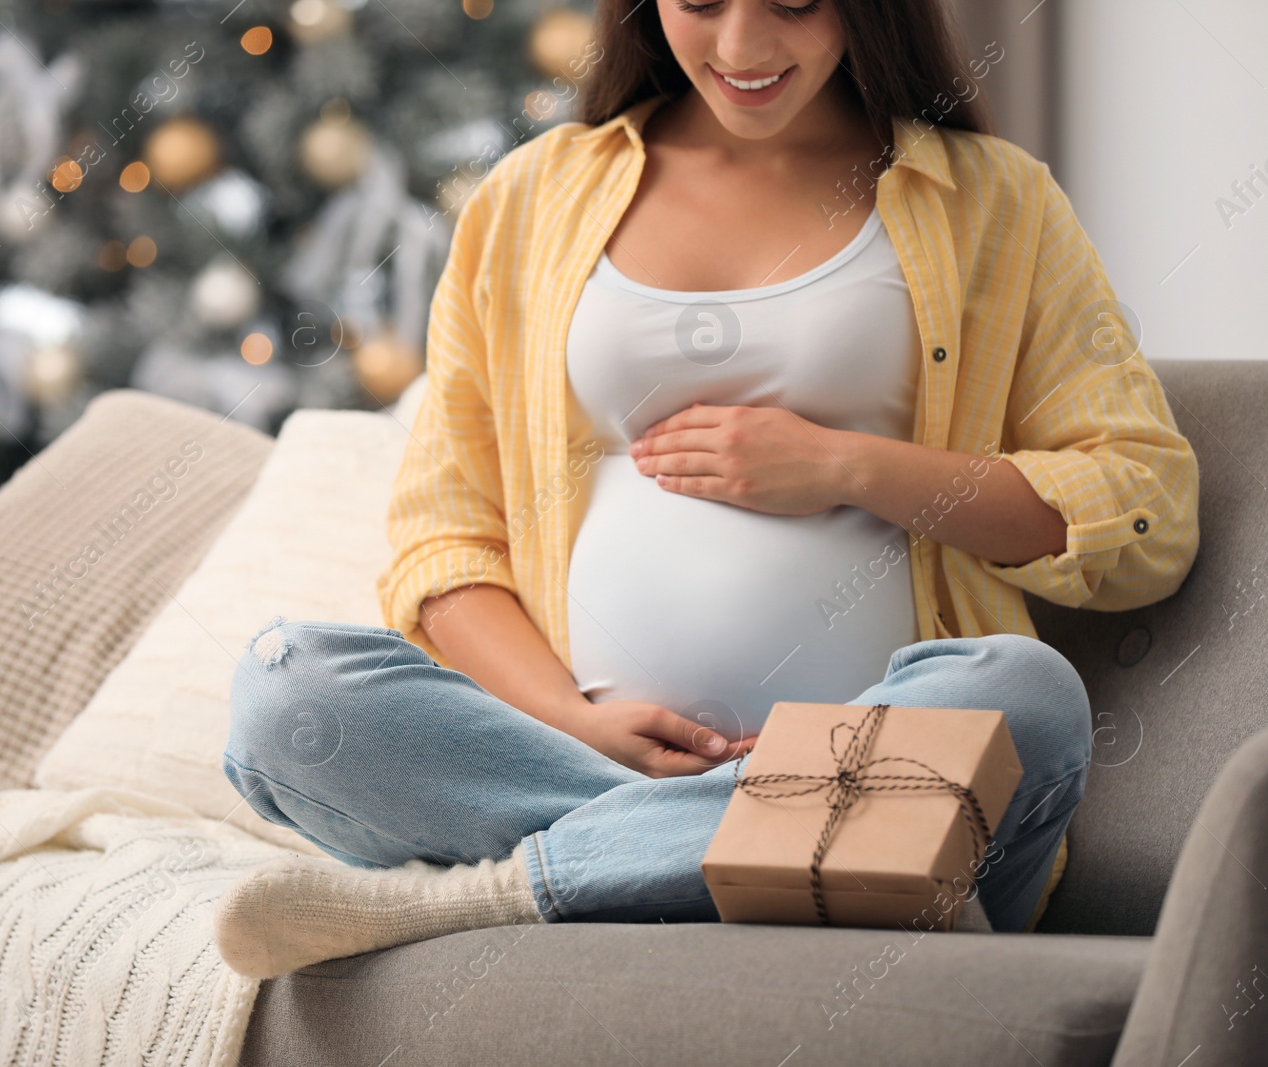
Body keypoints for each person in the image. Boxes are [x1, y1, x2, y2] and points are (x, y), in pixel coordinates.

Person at [213, 0, 1200, 979]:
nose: (742, 48)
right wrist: (571, 718)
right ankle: (782, 863)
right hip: (594, 764)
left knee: (1021, 696)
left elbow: (1144, 505)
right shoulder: (527, 201)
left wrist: (847, 465)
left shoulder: (992, 201)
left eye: (794, 4)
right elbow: (445, 542)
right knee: (283, 693)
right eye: (699, 3)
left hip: (886, 765)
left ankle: (510, 888)